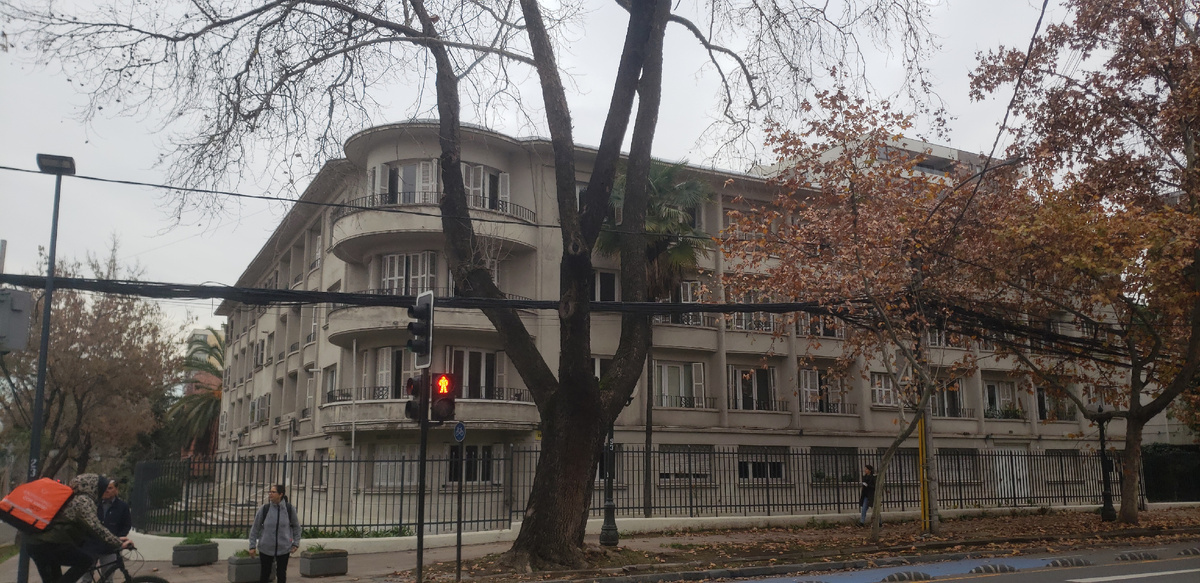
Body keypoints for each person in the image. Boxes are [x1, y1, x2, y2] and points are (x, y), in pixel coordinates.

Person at [27, 474, 133, 583]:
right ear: (94, 488)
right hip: (47, 545)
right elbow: (96, 527)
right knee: (86, 561)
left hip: (39, 544)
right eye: (102, 488)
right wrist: (118, 542)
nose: (103, 491)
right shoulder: (83, 501)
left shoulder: (72, 497)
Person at [79, 478, 132, 583]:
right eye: (104, 488)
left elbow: (126, 525)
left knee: (108, 578)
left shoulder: (122, 506)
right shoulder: (93, 504)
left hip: (109, 548)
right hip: (91, 546)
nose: (106, 490)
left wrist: (117, 538)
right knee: (86, 578)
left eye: (110, 488)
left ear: (116, 490)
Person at [249, 484, 301, 583]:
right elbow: (255, 528)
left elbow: (296, 527)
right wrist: (252, 545)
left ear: (281, 494)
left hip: (284, 548)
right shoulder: (264, 509)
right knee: (265, 574)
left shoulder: (289, 509)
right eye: (270, 492)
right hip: (266, 547)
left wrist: (296, 543)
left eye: (273, 492)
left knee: (281, 574)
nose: (270, 494)